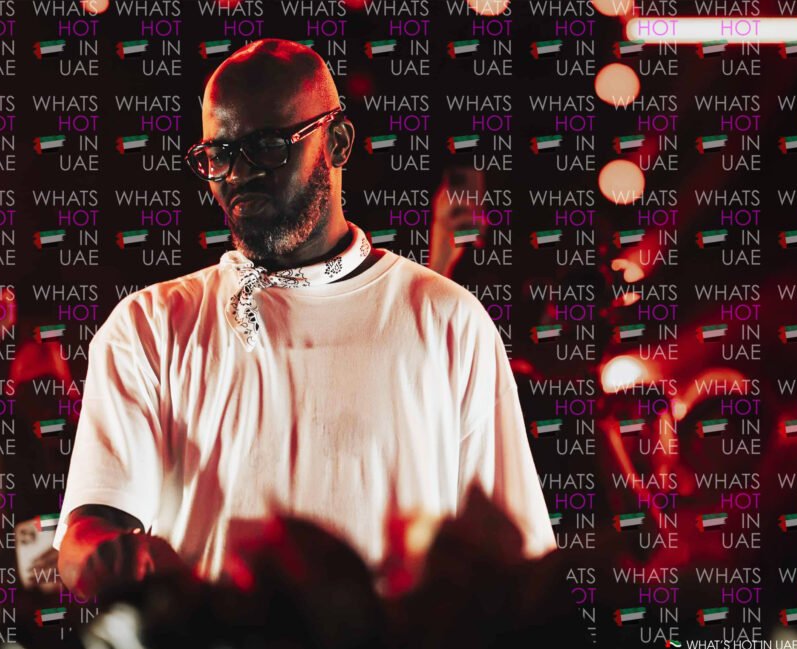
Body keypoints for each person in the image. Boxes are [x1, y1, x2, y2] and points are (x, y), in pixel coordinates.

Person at [54, 38, 555, 598]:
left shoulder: (447, 321)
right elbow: (92, 523)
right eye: (218, 155)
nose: (238, 174)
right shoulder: (149, 327)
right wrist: (101, 555)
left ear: (338, 142)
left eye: (267, 146)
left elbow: (514, 560)